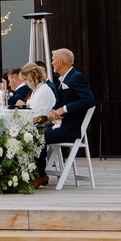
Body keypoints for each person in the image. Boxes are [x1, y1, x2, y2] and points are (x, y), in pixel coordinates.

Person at [34, 48, 95, 187]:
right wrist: (53, 111)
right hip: (59, 125)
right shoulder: (62, 80)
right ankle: (35, 172)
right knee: (33, 132)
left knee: (38, 137)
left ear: (61, 62)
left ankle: (41, 175)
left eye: (54, 60)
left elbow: (89, 100)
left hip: (70, 128)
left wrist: (64, 109)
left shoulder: (77, 77)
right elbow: (60, 103)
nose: (52, 63)